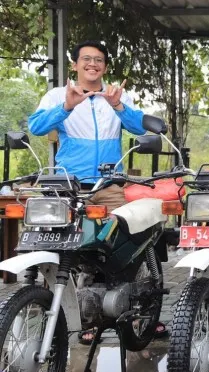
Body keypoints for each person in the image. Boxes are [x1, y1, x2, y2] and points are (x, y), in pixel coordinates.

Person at [27, 40, 168, 344]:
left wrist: (118, 105)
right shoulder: (56, 95)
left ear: (104, 66)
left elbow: (139, 127)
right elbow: (36, 126)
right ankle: (75, 314)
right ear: (75, 64)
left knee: (126, 240)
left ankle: (138, 307)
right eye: (86, 59)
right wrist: (67, 105)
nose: (93, 64)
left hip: (107, 185)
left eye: (99, 60)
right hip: (67, 187)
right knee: (58, 247)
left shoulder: (116, 94)